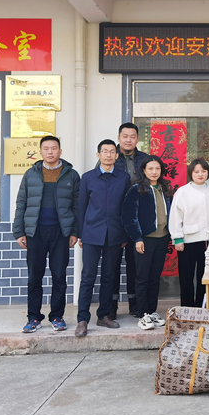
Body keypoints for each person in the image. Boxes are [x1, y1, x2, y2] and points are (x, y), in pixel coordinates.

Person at [12, 136, 80, 333]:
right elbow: (21, 203)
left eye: (54, 148)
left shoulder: (71, 175)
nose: (50, 152)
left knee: (59, 276)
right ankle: (33, 317)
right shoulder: (31, 174)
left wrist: (75, 231)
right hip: (35, 232)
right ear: (40, 151)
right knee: (35, 276)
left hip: (61, 232)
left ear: (60, 151)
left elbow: (77, 206)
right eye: (46, 148)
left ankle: (57, 316)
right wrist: (19, 231)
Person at [75, 139, 131, 337]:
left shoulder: (123, 178)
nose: (108, 155)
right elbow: (81, 207)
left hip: (115, 234)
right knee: (88, 277)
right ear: (98, 155)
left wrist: (124, 233)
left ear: (117, 155)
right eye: (105, 151)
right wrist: (81, 233)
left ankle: (104, 315)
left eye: (112, 151)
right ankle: (82, 319)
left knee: (109, 276)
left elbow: (126, 207)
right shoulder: (88, 178)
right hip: (91, 233)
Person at [122, 155, 173, 330]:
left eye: (157, 168)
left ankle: (152, 311)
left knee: (155, 278)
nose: (154, 172)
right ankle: (142, 314)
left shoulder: (165, 189)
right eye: (150, 168)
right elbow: (128, 217)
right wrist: (137, 238)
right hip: (145, 240)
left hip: (162, 238)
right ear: (144, 170)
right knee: (142, 278)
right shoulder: (137, 189)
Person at [108, 122, 149, 318]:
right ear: (119, 138)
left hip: (137, 221)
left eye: (132, 136)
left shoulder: (145, 159)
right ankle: (111, 307)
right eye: (125, 136)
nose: (128, 140)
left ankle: (135, 304)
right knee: (112, 266)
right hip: (115, 221)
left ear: (137, 139)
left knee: (135, 266)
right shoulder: (110, 157)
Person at [169, 159, 209, 308]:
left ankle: (201, 308)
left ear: (208, 173)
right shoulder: (183, 192)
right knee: (187, 277)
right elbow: (175, 216)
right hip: (188, 240)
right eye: (196, 171)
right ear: (191, 173)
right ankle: (187, 309)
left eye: (203, 171)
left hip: (208, 240)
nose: (200, 174)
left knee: (205, 277)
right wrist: (177, 238)